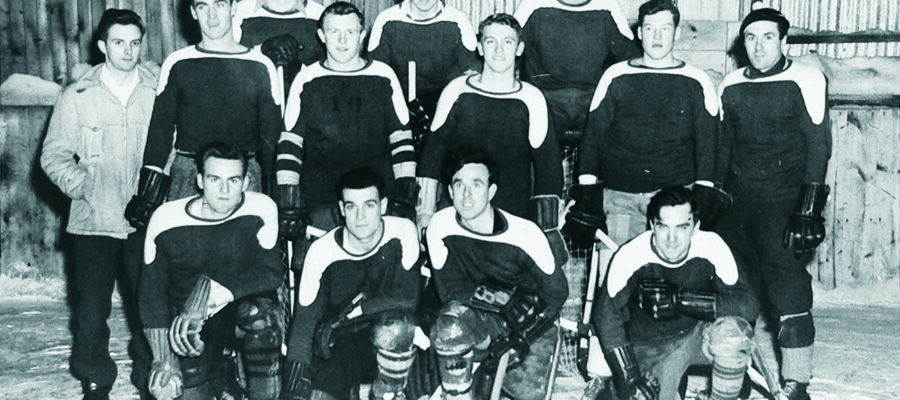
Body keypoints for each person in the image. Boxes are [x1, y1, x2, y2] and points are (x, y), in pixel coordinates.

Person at [40, 9, 155, 400]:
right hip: (92, 222)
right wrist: (83, 186)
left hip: (146, 222)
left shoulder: (157, 91)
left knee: (149, 309)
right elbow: (54, 155)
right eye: (119, 42)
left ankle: (151, 378)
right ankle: (95, 379)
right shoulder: (77, 96)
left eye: (135, 42)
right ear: (103, 46)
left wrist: (159, 195)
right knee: (91, 312)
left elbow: (173, 149)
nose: (128, 50)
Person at [716, 8, 831, 400]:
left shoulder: (806, 78)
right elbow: (723, 147)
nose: (758, 45)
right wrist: (713, 198)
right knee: (734, 290)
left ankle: (796, 381)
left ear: (784, 42)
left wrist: (809, 207)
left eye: (768, 37)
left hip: (784, 204)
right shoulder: (730, 84)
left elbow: (818, 144)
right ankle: (735, 375)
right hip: (738, 203)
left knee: (788, 291)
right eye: (750, 37)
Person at [568, 0, 728, 252]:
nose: (657, 36)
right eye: (650, 28)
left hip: (674, 205)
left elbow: (709, 146)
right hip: (620, 200)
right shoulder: (615, 76)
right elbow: (593, 140)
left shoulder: (697, 81)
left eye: (665, 29)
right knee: (614, 280)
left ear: (677, 33)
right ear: (639, 32)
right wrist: (587, 196)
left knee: (669, 283)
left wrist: (703, 196)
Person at [275, 1, 417, 271]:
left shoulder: (384, 76)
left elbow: (402, 142)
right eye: (334, 32)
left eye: (350, 33)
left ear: (362, 36)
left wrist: (404, 196)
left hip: (376, 200)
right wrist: (289, 203)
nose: (342, 40)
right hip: (322, 200)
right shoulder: (307, 80)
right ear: (321, 35)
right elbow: (290, 146)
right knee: (317, 272)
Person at [139, 142, 285, 400]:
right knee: (167, 389)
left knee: (265, 319)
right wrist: (163, 360)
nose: (224, 190)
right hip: (187, 322)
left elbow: (272, 272)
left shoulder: (261, 209)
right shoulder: (166, 220)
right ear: (199, 180)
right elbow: (151, 296)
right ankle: (218, 373)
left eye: (233, 180)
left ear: (246, 182)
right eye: (215, 179)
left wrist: (225, 292)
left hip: (236, 308)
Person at [125, 0, 283, 228]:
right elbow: (160, 132)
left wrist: (277, 199)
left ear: (233, 8)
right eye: (202, 6)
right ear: (193, 12)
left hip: (244, 177)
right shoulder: (177, 63)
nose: (211, 15)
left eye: (219, 5)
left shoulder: (260, 65)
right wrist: (148, 195)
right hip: (189, 176)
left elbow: (271, 139)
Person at [594, 186, 759, 400]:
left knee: (732, 334)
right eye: (663, 227)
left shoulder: (711, 246)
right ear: (652, 225)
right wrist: (629, 377)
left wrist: (680, 299)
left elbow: (747, 305)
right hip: (651, 347)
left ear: (696, 227)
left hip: (697, 336)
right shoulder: (632, 255)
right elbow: (605, 315)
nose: (672, 239)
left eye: (682, 227)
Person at [425, 153, 568, 400]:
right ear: (449, 190)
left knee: (524, 395)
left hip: (531, 325)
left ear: (491, 191)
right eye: (459, 185)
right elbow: (449, 291)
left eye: (476, 185)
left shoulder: (525, 234)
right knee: (450, 326)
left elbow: (557, 293)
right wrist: (501, 299)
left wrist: (520, 334)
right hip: (481, 318)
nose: (466, 195)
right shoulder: (440, 225)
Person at [417, 13, 564, 252]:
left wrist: (546, 229)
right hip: (457, 214)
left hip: (512, 218)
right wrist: (424, 213)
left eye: (507, 42)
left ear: (520, 48)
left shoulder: (532, 99)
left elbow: (549, 171)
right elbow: (432, 157)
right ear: (479, 47)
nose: (498, 50)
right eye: (490, 41)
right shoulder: (456, 91)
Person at [281, 167, 423, 400]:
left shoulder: (402, 232)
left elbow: (408, 297)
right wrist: (294, 388)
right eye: (351, 206)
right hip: (341, 346)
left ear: (383, 206)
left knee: (397, 327)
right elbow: (304, 327)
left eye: (369, 205)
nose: (360, 217)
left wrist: (356, 311)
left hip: (389, 343)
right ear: (341, 210)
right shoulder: (321, 252)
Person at [513, 0, 639, 167]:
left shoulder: (607, 6)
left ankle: (598, 190)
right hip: (545, 95)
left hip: (592, 96)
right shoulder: (533, 5)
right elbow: (507, 46)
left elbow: (630, 56)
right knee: (531, 148)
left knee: (617, 140)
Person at [368, 0, 479, 148]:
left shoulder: (458, 20)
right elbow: (376, 77)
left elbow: (469, 75)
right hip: (399, 105)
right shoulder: (387, 19)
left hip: (444, 106)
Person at [232, 0, 326, 95]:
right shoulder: (237, 12)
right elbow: (230, 75)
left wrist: (299, 71)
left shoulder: (322, 15)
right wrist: (260, 50)